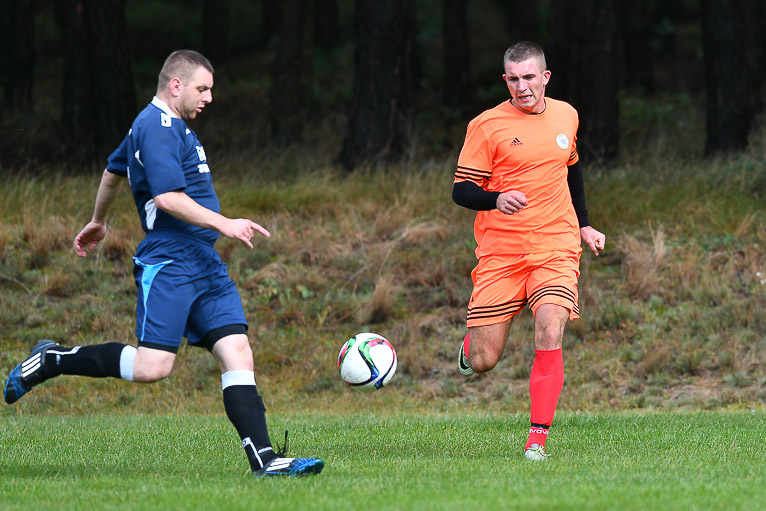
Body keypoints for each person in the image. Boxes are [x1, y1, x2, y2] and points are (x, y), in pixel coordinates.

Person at [3, 50, 324, 478]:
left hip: (204, 262)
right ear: (176, 85)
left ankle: (265, 460)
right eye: (202, 88)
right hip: (171, 261)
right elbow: (167, 198)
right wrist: (226, 223)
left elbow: (112, 171)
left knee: (237, 351)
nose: (209, 98)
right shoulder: (158, 127)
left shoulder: (162, 126)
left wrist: (98, 220)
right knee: (152, 367)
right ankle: (53, 359)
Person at [452, 41, 605, 461]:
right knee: (484, 360)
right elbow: (461, 191)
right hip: (502, 254)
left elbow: (571, 170)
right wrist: (495, 198)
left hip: (555, 246)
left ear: (545, 77)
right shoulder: (486, 126)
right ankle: (469, 348)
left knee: (550, 329)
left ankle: (537, 440)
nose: (522, 87)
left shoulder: (567, 114)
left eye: (529, 77)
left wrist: (584, 224)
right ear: (506, 80)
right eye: (514, 79)